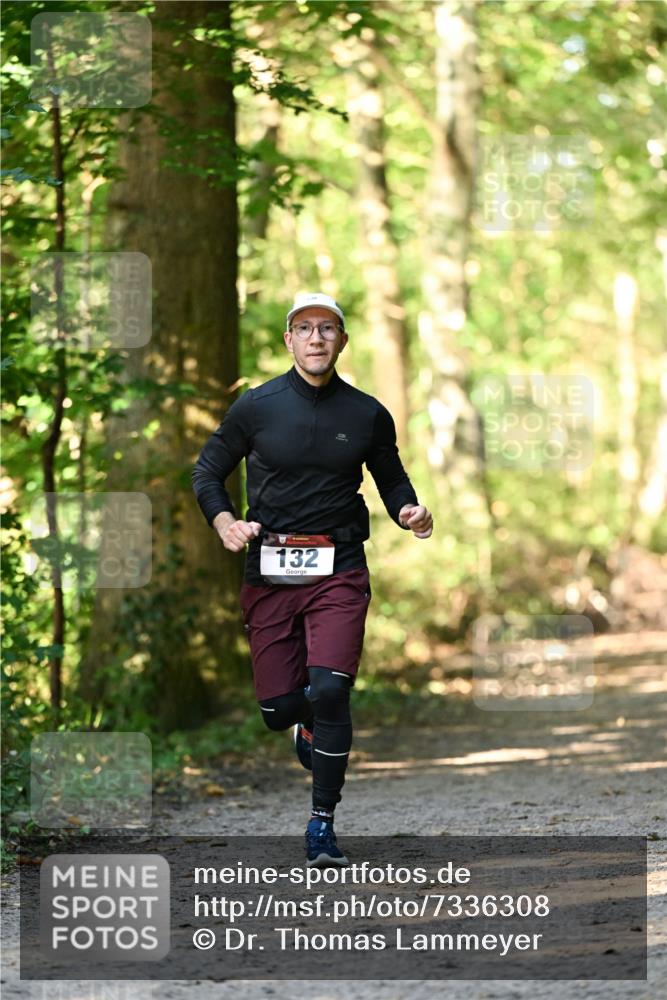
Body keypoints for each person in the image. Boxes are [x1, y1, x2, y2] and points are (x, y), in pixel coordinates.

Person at [191, 292, 433, 867]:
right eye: (305, 328)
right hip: (270, 568)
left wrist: (409, 510)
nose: (317, 338)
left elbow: (392, 479)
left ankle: (321, 824)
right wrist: (225, 521)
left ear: (342, 340)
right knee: (279, 709)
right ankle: (303, 728)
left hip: (339, 567)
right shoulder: (257, 407)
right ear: (289, 341)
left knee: (330, 691)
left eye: (328, 328)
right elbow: (207, 472)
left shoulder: (366, 413)